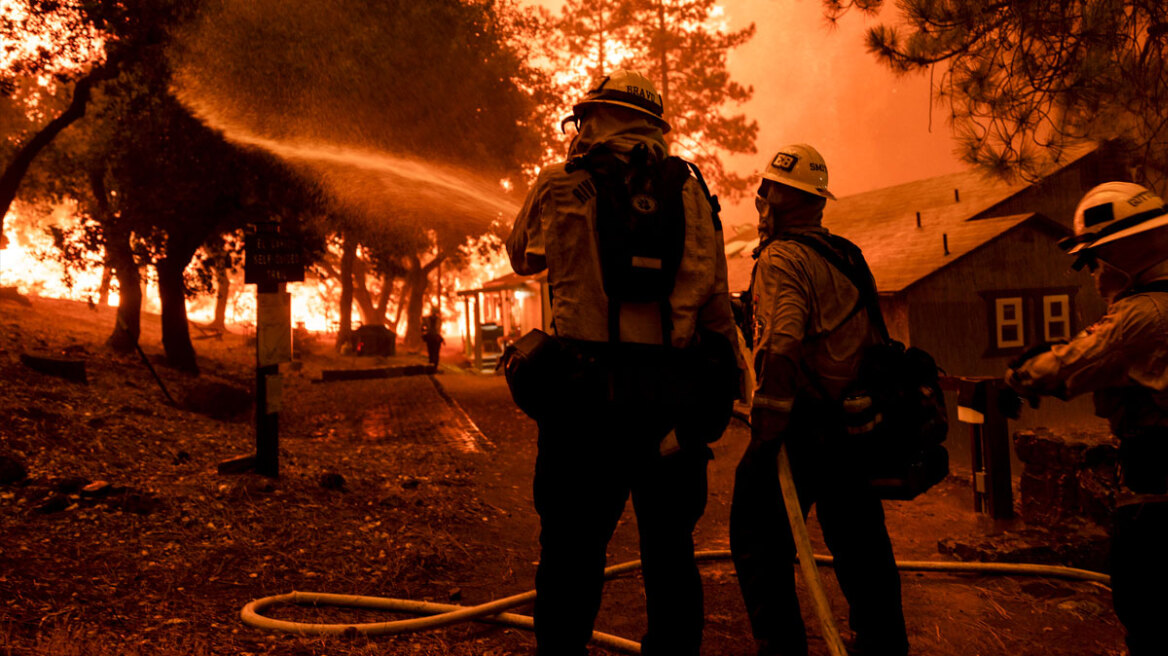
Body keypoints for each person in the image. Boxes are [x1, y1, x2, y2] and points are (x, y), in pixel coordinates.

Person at [505, 69, 742, 656]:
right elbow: (717, 304)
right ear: (653, 124)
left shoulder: (561, 182)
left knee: (570, 553)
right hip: (670, 408)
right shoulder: (692, 191)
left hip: (584, 404)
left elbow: (522, 258)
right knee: (670, 554)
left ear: (593, 118)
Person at [730, 144, 909, 656]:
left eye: (764, 192)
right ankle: (883, 645)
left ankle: (783, 647)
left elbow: (784, 337)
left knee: (757, 535)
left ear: (776, 200)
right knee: (862, 544)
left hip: (804, 425)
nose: (759, 202)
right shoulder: (844, 253)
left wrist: (769, 417)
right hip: (854, 423)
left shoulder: (782, 258)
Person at [1005, 181, 1168, 656]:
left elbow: (1067, 367)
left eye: (1094, 260)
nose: (1094, 276)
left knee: (1147, 613)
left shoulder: (1141, 314)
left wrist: (1021, 373)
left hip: (1156, 495)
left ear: (1121, 253)